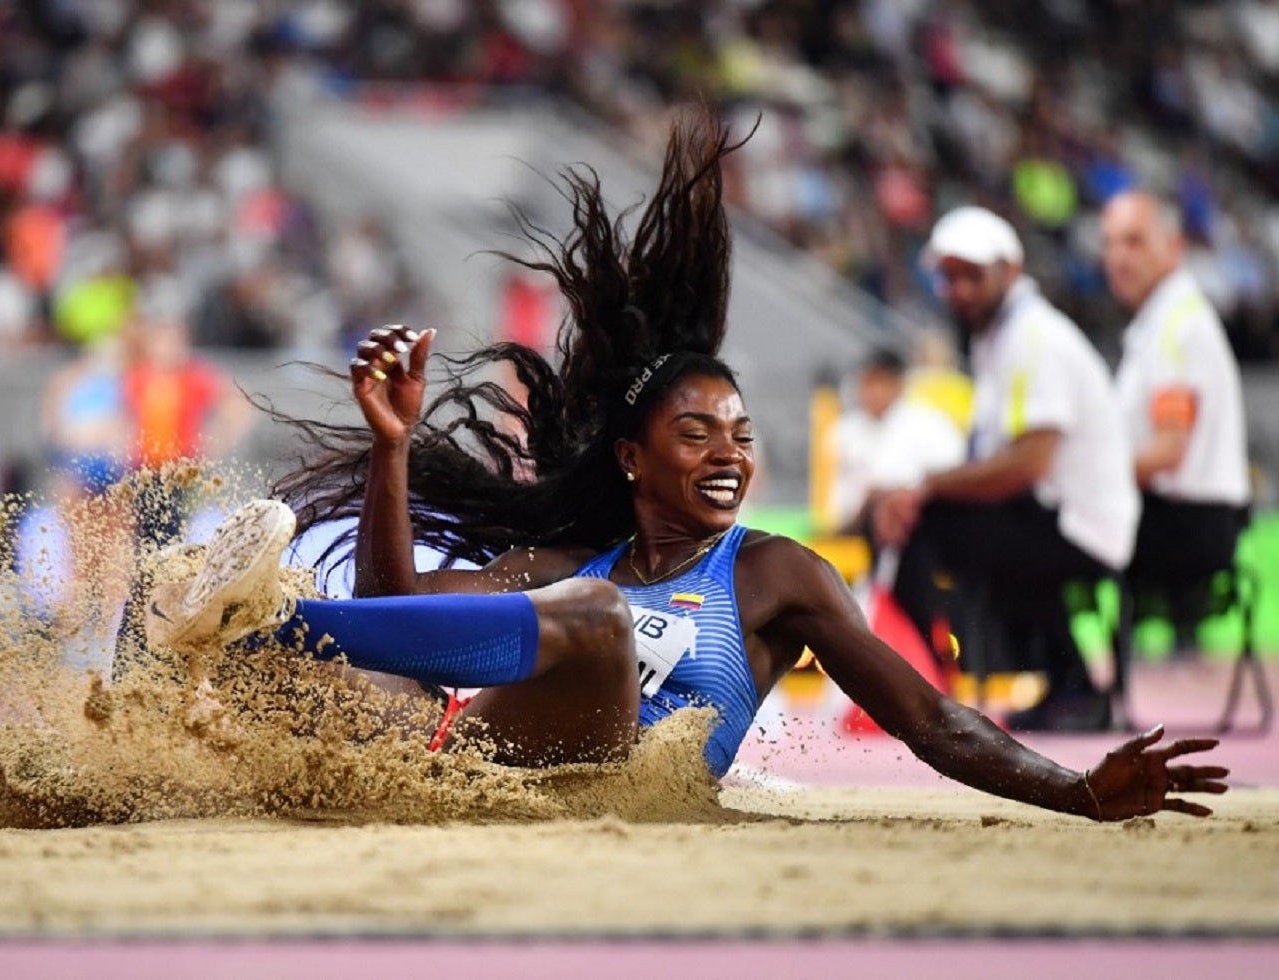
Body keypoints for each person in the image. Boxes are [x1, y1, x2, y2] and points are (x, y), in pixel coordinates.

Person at [146, 115, 1223, 821]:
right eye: (698, 433)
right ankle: (184, 673)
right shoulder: (570, 558)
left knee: (600, 621)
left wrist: (1081, 789)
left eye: (741, 434)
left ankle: (268, 619)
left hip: (608, 792)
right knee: (376, 676)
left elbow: (932, 720)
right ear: (631, 457)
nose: (730, 453)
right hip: (464, 770)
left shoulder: (774, 577)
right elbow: (400, 609)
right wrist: (389, 447)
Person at [872, 206, 1140, 733]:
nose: (960, 290)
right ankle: (1057, 681)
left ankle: (932, 691)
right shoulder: (999, 337)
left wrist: (924, 488)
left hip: (1078, 525)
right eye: (949, 277)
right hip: (1050, 513)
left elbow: (1026, 463)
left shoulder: (1033, 339)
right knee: (943, 522)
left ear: (1011, 271)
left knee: (934, 524)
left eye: (973, 275)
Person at [1101, 191, 1250, 640]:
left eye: (1134, 242)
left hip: (1186, 525)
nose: (1118, 258)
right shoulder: (1161, 323)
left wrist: (1082, 480)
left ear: (1174, 247)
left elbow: (1167, 451)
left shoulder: (1176, 326)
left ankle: (1068, 682)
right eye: (1110, 244)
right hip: (1188, 519)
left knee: (1042, 531)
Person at [830, 346, 966, 538]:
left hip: (915, 528)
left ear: (897, 385)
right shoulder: (845, 429)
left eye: (877, 383)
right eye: (865, 384)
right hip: (852, 531)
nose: (870, 392)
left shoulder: (930, 424)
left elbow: (951, 477)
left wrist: (892, 494)